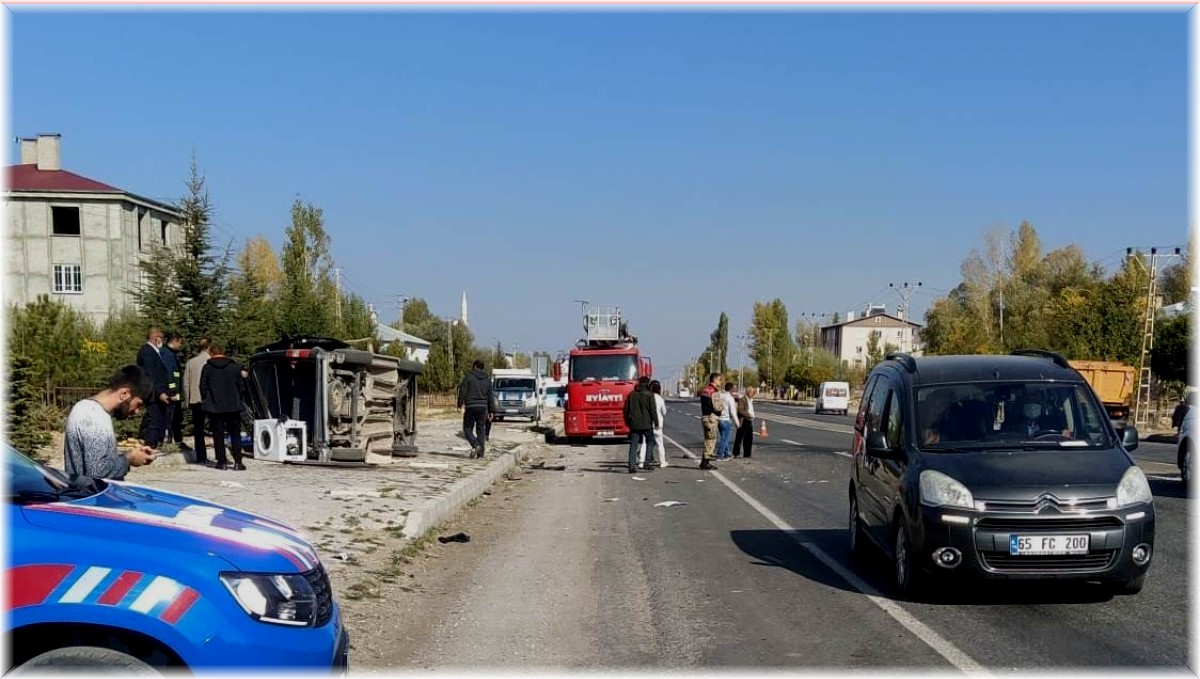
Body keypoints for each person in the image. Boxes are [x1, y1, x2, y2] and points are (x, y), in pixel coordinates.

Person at [63, 365, 158, 480]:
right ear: (124, 394)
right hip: (92, 496)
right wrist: (129, 459)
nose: (137, 411)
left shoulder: (89, 409)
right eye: (138, 404)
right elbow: (97, 471)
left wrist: (131, 455)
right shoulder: (93, 416)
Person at [200, 341, 249, 471]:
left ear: (211, 353)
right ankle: (238, 462)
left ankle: (221, 462)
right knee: (235, 434)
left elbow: (203, 387)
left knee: (218, 435)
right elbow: (241, 386)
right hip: (233, 405)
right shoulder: (234, 367)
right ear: (224, 352)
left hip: (215, 406)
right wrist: (238, 397)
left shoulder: (207, 368)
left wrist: (207, 398)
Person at [135, 326, 171, 448]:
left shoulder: (153, 352)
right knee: (154, 420)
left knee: (159, 419)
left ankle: (155, 444)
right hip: (153, 393)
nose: (162, 341)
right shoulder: (148, 352)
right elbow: (152, 374)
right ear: (156, 337)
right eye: (161, 337)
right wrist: (160, 392)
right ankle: (150, 446)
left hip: (156, 392)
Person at [456, 359, 495, 458]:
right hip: (483, 407)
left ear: (475, 367)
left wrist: (460, 404)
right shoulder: (487, 379)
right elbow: (491, 396)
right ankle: (481, 453)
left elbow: (462, 391)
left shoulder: (469, 377)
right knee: (481, 429)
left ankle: (475, 444)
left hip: (471, 406)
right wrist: (492, 411)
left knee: (467, 428)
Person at [183, 337, 212, 465]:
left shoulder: (191, 362)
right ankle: (220, 455)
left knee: (198, 429)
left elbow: (186, 383)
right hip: (211, 400)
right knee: (216, 427)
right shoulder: (211, 361)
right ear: (209, 347)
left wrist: (188, 399)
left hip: (195, 399)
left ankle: (201, 456)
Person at [623, 376, 659, 473]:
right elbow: (653, 410)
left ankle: (631, 465)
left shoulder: (631, 395)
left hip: (634, 424)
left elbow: (626, 410)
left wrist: (627, 422)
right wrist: (656, 422)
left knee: (633, 445)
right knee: (650, 441)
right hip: (647, 424)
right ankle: (647, 462)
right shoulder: (650, 395)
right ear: (647, 384)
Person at [161, 332, 186, 448]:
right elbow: (169, 375)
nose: (181, 345)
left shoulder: (171, 354)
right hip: (171, 392)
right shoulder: (167, 354)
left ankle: (177, 440)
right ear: (174, 341)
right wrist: (173, 391)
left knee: (176, 417)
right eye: (180, 342)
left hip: (174, 391)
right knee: (169, 416)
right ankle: (168, 440)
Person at [638, 379, 669, 468]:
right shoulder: (660, 399)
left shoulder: (646, 397)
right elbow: (664, 412)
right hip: (658, 425)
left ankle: (641, 462)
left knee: (645, 443)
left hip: (647, 424)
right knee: (660, 444)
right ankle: (662, 462)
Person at [698, 373, 723, 470]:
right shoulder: (714, 391)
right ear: (715, 380)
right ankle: (705, 462)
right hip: (711, 418)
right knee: (711, 440)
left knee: (707, 439)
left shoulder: (705, 390)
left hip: (705, 417)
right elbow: (717, 407)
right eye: (719, 380)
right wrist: (722, 407)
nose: (720, 382)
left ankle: (704, 461)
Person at [717, 382, 740, 460]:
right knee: (725, 439)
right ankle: (720, 455)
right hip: (726, 420)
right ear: (731, 389)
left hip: (719, 420)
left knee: (724, 437)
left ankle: (726, 453)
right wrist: (737, 423)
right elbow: (733, 412)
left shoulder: (720, 396)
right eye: (734, 388)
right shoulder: (730, 398)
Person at [734, 386, 757, 459]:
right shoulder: (742, 400)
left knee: (749, 438)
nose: (753, 394)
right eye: (753, 392)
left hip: (749, 421)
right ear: (748, 392)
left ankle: (747, 453)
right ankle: (736, 453)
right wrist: (749, 415)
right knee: (739, 437)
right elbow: (740, 411)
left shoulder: (750, 400)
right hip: (743, 420)